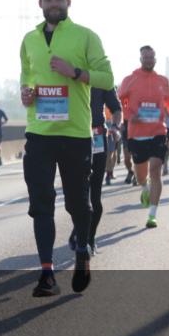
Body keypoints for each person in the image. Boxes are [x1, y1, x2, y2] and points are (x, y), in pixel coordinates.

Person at [20, 0, 114, 297]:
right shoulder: (29, 40)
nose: (54, 4)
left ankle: (82, 250)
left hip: (75, 134)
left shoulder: (86, 36)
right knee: (41, 204)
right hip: (39, 134)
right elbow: (26, 78)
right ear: (40, 3)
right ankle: (46, 274)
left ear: (68, 1)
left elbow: (106, 79)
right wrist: (26, 94)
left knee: (78, 203)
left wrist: (75, 72)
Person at [118, 46, 169, 229]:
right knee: (141, 175)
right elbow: (122, 99)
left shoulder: (162, 81)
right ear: (140, 59)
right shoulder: (130, 79)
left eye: (152, 57)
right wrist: (129, 115)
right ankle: (144, 188)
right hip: (137, 134)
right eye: (146, 57)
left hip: (158, 132)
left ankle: (152, 214)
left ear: (155, 59)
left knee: (156, 170)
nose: (149, 60)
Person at [69, 85, 121, 254]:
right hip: (75, 137)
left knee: (95, 194)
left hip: (97, 137)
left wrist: (115, 127)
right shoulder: (70, 74)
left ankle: (89, 238)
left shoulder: (101, 78)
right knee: (76, 195)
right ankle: (79, 229)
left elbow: (116, 108)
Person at [103, 104, 120, 186]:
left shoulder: (116, 99)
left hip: (115, 125)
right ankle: (108, 175)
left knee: (114, 153)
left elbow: (120, 112)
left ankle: (110, 171)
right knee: (109, 153)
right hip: (105, 124)